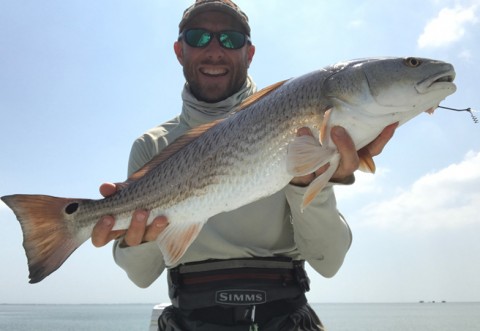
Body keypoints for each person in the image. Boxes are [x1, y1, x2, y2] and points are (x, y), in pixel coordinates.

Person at [92, 1, 397, 330]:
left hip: (285, 314)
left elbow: (328, 261)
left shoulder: (294, 120)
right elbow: (141, 275)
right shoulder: (152, 146)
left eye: (230, 39)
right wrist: (138, 240)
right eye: (198, 37)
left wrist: (315, 185)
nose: (214, 50)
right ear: (180, 51)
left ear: (249, 53)